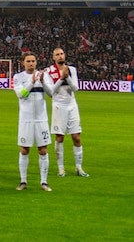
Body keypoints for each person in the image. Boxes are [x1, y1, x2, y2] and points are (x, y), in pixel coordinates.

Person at [43, 47, 89, 177]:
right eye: (57, 54)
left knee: (76, 137)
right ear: (53, 58)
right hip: (59, 106)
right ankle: (61, 168)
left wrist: (67, 77)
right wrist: (61, 78)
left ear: (65, 55)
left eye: (62, 53)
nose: (60, 56)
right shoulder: (48, 71)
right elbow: (50, 91)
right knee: (60, 137)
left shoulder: (72, 70)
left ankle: (79, 168)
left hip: (72, 105)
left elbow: (75, 88)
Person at [13, 52, 52, 192]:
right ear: (23, 62)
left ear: (36, 62)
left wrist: (42, 82)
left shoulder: (44, 76)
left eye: (33, 61)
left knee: (43, 150)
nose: (31, 63)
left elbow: (51, 93)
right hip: (26, 119)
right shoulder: (18, 77)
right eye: (28, 61)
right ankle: (23, 181)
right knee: (24, 150)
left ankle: (44, 182)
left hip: (41, 118)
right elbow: (21, 95)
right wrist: (32, 82)